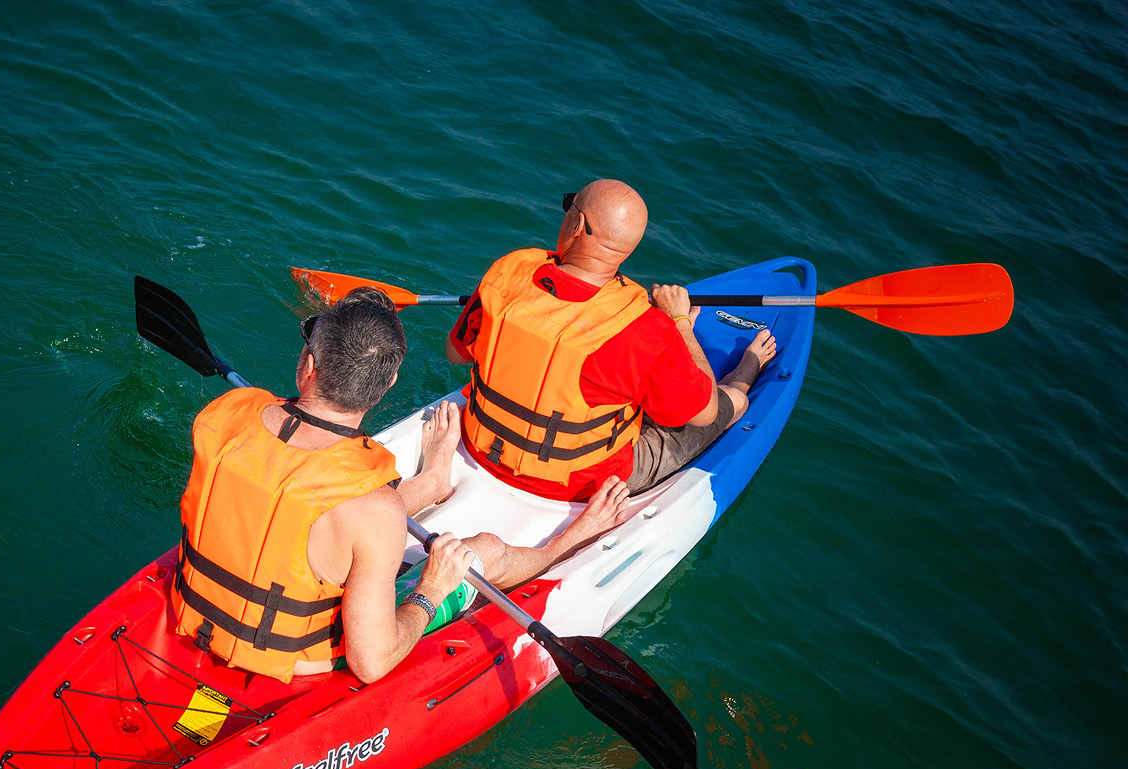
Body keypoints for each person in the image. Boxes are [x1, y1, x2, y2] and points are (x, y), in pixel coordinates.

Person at [172, 288, 627, 685]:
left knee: (363, 515)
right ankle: (565, 545)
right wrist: (432, 588)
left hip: (193, 614)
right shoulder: (373, 509)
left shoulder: (223, 416)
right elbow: (372, 662)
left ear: (307, 365)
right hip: (296, 659)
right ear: (387, 383)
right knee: (481, 549)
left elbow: (303, 498)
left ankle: (431, 482)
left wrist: (405, 496)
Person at [445, 178, 778, 499]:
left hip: (482, 446)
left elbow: (456, 353)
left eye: (568, 206)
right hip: (580, 484)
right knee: (729, 404)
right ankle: (744, 378)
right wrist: (679, 323)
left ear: (576, 224)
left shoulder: (508, 271)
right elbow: (704, 413)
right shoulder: (646, 327)